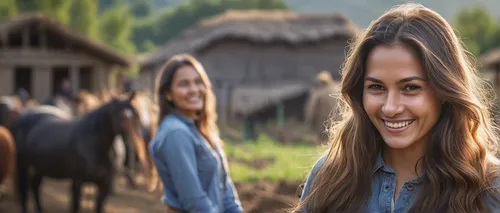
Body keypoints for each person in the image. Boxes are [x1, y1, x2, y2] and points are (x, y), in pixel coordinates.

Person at [294, 3, 500, 213]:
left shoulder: (490, 188)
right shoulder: (329, 178)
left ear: (445, 91)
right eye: (376, 87)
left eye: (410, 88)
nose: (390, 108)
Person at [149, 53, 243, 213]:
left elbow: (226, 192)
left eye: (198, 82)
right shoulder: (175, 133)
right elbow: (194, 201)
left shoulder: (200, 131)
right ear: (168, 94)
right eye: (184, 84)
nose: (194, 89)